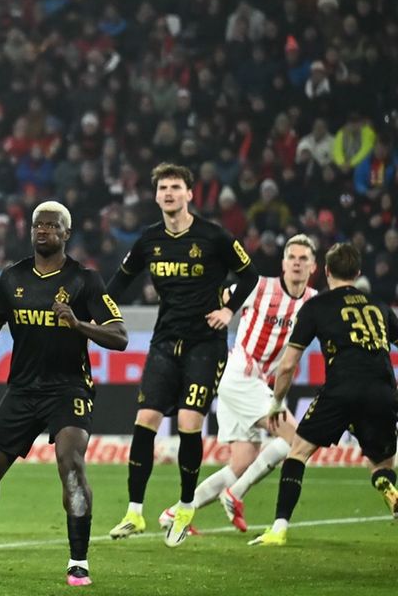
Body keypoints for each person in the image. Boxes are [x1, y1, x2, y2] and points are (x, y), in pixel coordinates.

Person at [0, 202, 128, 586]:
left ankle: (78, 563)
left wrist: (77, 322)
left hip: (68, 389)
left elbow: (119, 337)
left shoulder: (85, 280)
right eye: (38, 224)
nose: (43, 230)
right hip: (21, 391)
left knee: (71, 465)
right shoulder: (12, 277)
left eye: (52, 225)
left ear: (66, 234)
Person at [105, 163, 258, 546]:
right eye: (163, 188)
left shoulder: (213, 236)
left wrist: (228, 310)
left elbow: (250, 275)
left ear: (190, 193)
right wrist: (96, 314)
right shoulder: (148, 240)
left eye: (176, 187)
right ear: (156, 196)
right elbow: (119, 283)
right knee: (145, 420)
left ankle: (186, 507)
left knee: (190, 422)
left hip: (205, 344)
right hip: (164, 342)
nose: (169, 193)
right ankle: (134, 513)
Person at [165, 235, 318, 534]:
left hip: (257, 383)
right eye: (292, 258)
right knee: (296, 439)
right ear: (283, 263)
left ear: (313, 266)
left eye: (303, 259)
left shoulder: (313, 302)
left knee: (243, 460)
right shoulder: (259, 287)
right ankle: (235, 493)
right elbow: (219, 298)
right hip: (240, 374)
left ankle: (176, 513)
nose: (297, 263)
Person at [249, 242, 398, 546]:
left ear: (326, 271)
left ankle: (278, 528)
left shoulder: (316, 306)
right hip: (383, 389)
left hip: (341, 389)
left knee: (298, 452)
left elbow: (288, 365)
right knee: (383, 462)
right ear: (357, 272)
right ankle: (387, 485)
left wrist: (276, 402)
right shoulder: (379, 306)